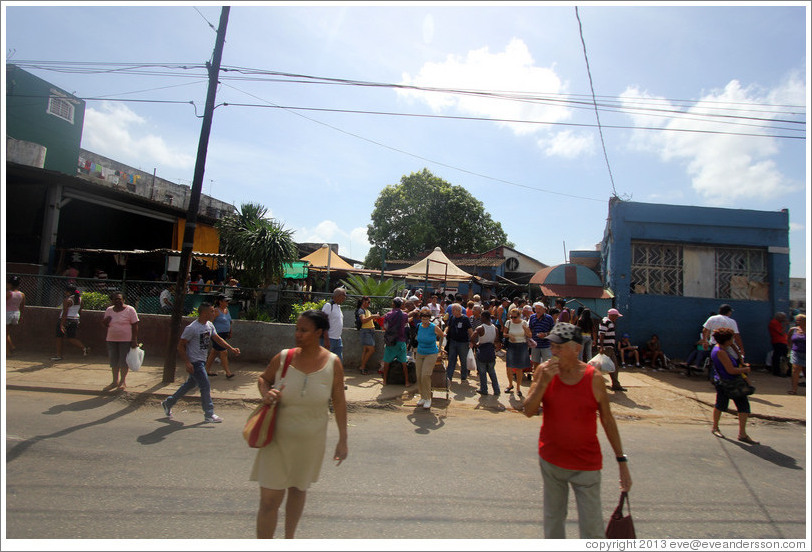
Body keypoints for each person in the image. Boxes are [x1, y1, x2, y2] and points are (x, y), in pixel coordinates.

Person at [522, 322, 632, 539]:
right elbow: (528, 410)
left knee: (592, 528)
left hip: (586, 465)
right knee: (553, 523)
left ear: (576, 349)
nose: (554, 352)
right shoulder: (544, 371)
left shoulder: (594, 378)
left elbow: (608, 421)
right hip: (552, 462)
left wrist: (622, 462)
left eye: (560, 347)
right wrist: (543, 383)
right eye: (553, 347)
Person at [252, 309, 348, 539]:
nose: (298, 334)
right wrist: (266, 393)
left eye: (304, 330)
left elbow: (339, 401)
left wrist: (343, 440)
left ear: (319, 333)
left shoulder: (333, 363)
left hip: (310, 441)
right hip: (276, 439)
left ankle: (289, 539)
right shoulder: (284, 357)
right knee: (269, 501)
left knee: (297, 490)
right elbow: (264, 378)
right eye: (297, 329)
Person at [161, 302, 240, 423]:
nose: (214, 313)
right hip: (195, 362)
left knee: (190, 384)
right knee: (205, 385)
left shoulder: (209, 325)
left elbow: (217, 338)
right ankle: (209, 414)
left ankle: (168, 402)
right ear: (204, 313)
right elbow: (180, 346)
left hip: (202, 361)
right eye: (212, 311)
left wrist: (231, 348)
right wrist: (187, 362)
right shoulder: (192, 328)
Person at [709, 327, 759, 444]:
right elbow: (730, 370)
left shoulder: (720, 348)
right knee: (721, 405)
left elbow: (734, 348)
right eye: (731, 339)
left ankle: (742, 433)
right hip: (726, 383)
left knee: (742, 406)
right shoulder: (720, 352)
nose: (733, 341)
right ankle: (716, 427)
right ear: (726, 340)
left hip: (729, 381)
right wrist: (746, 369)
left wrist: (739, 357)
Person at [102, 293, 139, 391]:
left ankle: (122, 381)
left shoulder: (130, 310)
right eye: (115, 299)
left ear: (123, 299)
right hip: (111, 339)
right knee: (113, 361)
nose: (117, 301)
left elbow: (135, 325)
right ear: (112, 301)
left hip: (126, 340)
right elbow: (105, 324)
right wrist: (107, 321)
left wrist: (134, 339)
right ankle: (115, 381)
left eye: (119, 299)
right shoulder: (109, 310)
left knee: (123, 361)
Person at [414, 306, 444, 409]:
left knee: (425, 375)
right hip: (420, 352)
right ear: (421, 318)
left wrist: (440, 348)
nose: (425, 320)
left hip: (431, 353)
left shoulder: (433, 327)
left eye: (427, 318)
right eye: (423, 318)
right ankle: (422, 396)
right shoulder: (419, 326)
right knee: (418, 375)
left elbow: (442, 335)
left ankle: (428, 398)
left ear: (429, 318)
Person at [52, 285, 88, 361]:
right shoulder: (80, 299)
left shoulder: (67, 300)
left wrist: (62, 324)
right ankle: (84, 348)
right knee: (71, 337)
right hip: (74, 320)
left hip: (65, 320)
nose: (65, 292)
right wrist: (78, 319)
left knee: (59, 337)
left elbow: (65, 312)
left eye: (66, 291)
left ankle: (58, 355)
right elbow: (80, 310)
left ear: (69, 292)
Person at [204, 295, 235, 378]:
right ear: (220, 302)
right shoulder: (216, 311)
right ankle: (228, 372)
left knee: (214, 352)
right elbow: (210, 322)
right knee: (224, 352)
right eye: (225, 301)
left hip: (224, 334)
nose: (227, 302)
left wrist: (230, 331)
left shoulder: (226, 310)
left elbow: (229, 322)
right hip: (217, 335)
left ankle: (206, 370)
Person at [503, 307, 532, 397]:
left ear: (519, 316)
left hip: (521, 345)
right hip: (512, 346)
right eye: (511, 317)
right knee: (509, 367)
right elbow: (504, 333)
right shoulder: (508, 322)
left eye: (514, 317)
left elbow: (530, 335)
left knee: (519, 368)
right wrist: (509, 336)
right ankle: (510, 384)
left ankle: (518, 388)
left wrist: (526, 329)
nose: (513, 319)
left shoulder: (524, 323)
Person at [471, 310, 500, 396]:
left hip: (482, 351)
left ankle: (484, 389)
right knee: (492, 372)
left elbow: (472, 338)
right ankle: (496, 390)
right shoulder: (495, 328)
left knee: (482, 372)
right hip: (491, 351)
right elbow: (497, 340)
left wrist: (476, 345)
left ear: (483, 317)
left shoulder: (480, 328)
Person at [382, 297, 409, 386]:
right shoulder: (404, 315)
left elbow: (385, 327)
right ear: (401, 305)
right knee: (404, 362)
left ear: (393, 304)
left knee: (387, 361)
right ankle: (406, 382)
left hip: (390, 341)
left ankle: (385, 381)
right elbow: (405, 323)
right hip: (401, 340)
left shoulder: (387, 315)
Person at [444, 303, 474, 384]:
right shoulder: (452, 318)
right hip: (453, 342)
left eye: (453, 310)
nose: (452, 311)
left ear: (458, 311)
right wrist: (445, 332)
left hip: (463, 343)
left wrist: (471, 341)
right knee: (451, 359)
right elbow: (448, 326)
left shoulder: (465, 319)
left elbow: (470, 331)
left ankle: (463, 377)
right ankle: (449, 377)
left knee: (463, 360)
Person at [598, 308, 626, 391]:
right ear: (612, 315)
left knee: (613, 366)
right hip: (606, 348)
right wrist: (601, 347)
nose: (616, 318)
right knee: (603, 367)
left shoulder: (607, 322)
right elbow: (602, 334)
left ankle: (616, 384)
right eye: (616, 316)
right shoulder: (606, 322)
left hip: (609, 348)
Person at [321, 287, 347, 362]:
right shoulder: (328, 306)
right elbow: (323, 322)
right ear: (337, 296)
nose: (344, 299)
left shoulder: (338, 307)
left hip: (337, 339)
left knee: (338, 361)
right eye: (343, 297)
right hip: (329, 338)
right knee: (325, 361)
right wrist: (326, 339)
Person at [528, 302, 555, 370]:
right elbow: (530, 328)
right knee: (535, 363)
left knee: (547, 364)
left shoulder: (549, 318)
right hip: (535, 345)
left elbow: (553, 330)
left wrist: (545, 334)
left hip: (546, 345)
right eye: (536, 308)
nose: (537, 310)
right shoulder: (532, 317)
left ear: (544, 309)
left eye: (539, 309)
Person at [355, 296, 378, 375]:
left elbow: (369, 320)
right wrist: (372, 316)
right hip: (366, 331)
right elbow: (363, 320)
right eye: (368, 302)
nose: (369, 304)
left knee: (365, 350)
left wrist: (374, 318)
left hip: (370, 331)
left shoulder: (367, 310)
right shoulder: (361, 311)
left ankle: (362, 367)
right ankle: (362, 367)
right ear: (363, 302)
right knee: (371, 350)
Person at [6, 275, 26, 355]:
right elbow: (22, 306)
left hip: (7, 314)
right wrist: (21, 316)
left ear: (10, 284)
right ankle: (11, 347)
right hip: (16, 314)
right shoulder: (22, 294)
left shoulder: (8, 294)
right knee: (6, 332)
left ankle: (7, 352)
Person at [788, 314, 806, 395]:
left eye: (799, 320)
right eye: (797, 320)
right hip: (796, 352)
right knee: (795, 370)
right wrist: (790, 348)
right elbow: (789, 339)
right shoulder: (793, 330)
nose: (797, 322)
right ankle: (794, 389)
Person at [768, 312, 789, 377]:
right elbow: (781, 333)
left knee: (781, 356)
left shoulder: (777, 323)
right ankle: (777, 371)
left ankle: (783, 371)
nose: (784, 319)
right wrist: (785, 325)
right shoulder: (774, 323)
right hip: (778, 341)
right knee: (778, 356)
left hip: (781, 341)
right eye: (783, 317)